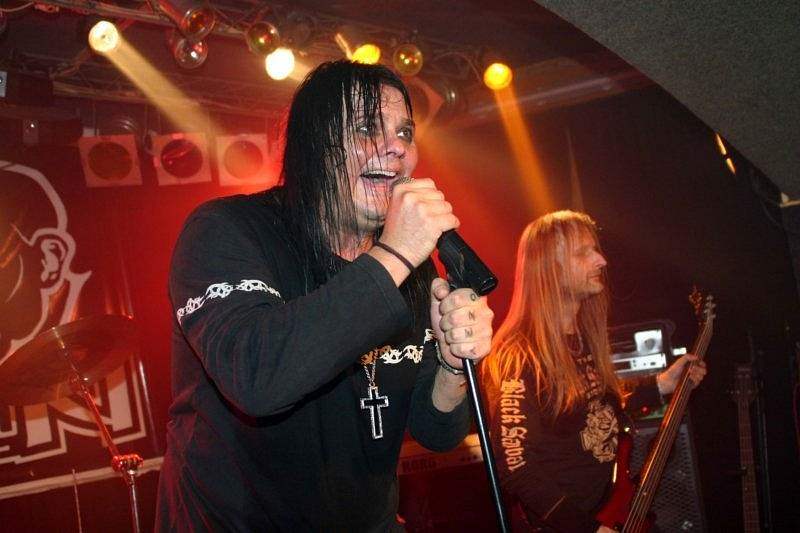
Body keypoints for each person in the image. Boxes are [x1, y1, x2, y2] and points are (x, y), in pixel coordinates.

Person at [154, 60, 494, 531]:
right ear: (314, 146)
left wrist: (453, 364)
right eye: (366, 128)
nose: (396, 147)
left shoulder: (410, 268)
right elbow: (258, 380)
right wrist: (396, 253)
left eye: (405, 132)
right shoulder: (227, 231)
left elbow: (435, 431)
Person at [482, 210, 706, 532]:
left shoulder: (582, 338)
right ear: (550, 267)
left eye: (596, 250)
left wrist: (659, 385)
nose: (601, 260)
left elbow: (595, 408)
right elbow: (516, 465)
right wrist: (586, 528)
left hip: (611, 512)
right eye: (583, 252)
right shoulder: (519, 354)